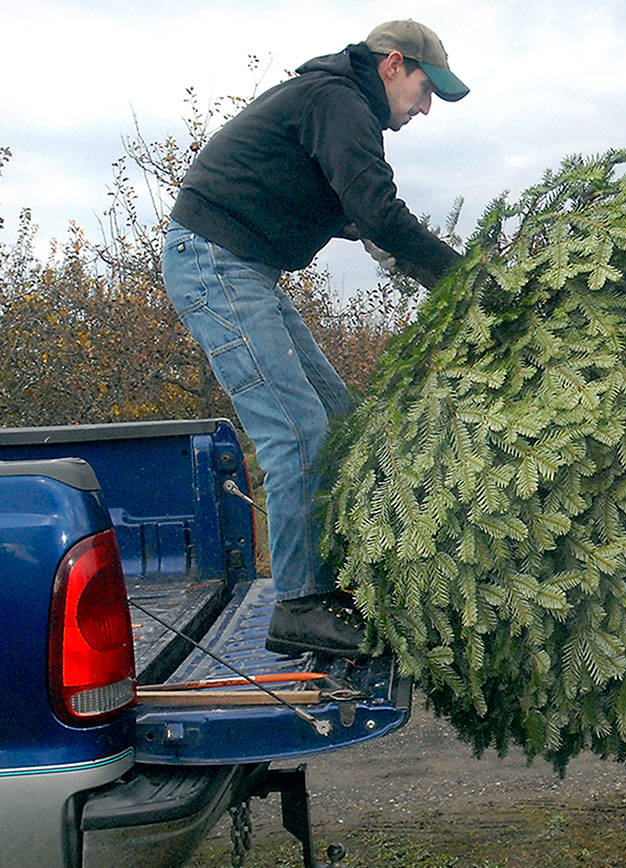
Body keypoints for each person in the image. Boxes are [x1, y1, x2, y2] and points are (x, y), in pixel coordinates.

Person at [161, 20, 469, 657]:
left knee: (340, 420)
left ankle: (339, 582)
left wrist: (427, 274)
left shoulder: (336, 107)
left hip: (248, 267)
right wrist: (462, 278)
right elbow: (381, 212)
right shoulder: (338, 102)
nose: (425, 108)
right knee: (298, 430)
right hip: (216, 260)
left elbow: (369, 222)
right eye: (423, 88)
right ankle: (299, 604)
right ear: (391, 64)